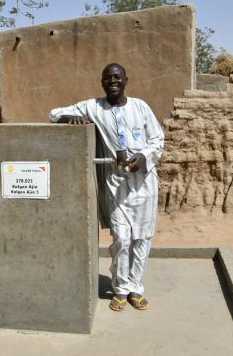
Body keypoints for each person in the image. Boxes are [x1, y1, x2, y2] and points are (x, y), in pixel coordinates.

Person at [49, 63, 164, 312]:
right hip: (117, 183)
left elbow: (157, 139)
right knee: (122, 238)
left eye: (117, 77)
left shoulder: (140, 106)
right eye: (107, 78)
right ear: (102, 82)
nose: (112, 81)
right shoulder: (93, 106)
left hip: (145, 183)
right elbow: (53, 113)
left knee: (141, 238)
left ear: (125, 80)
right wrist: (70, 117)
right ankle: (120, 288)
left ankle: (135, 287)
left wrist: (144, 155)